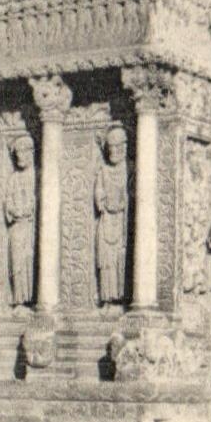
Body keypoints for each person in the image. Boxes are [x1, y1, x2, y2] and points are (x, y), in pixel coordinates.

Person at [94, 124, 128, 305]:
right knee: (106, 262)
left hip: (122, 223)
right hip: (106, 220)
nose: (113, 151)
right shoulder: (103, 171)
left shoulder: (128, 170)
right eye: (110, 147)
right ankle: (107, 300)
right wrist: (103, 201)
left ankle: (119, 301)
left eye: (117, 146)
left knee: (120, 262)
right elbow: (98, 194)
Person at [4, 134, 36, 308]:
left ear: (31, 153)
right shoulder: (14, 178)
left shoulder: (37, 175)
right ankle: (19, 301)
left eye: (23, 153)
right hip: (17, 226)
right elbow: (8, 201)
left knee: (31, 261)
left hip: (32, 226)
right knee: (17, 263)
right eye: (17, 154)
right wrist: (13, 210)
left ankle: (33, 300)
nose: (19, 157)